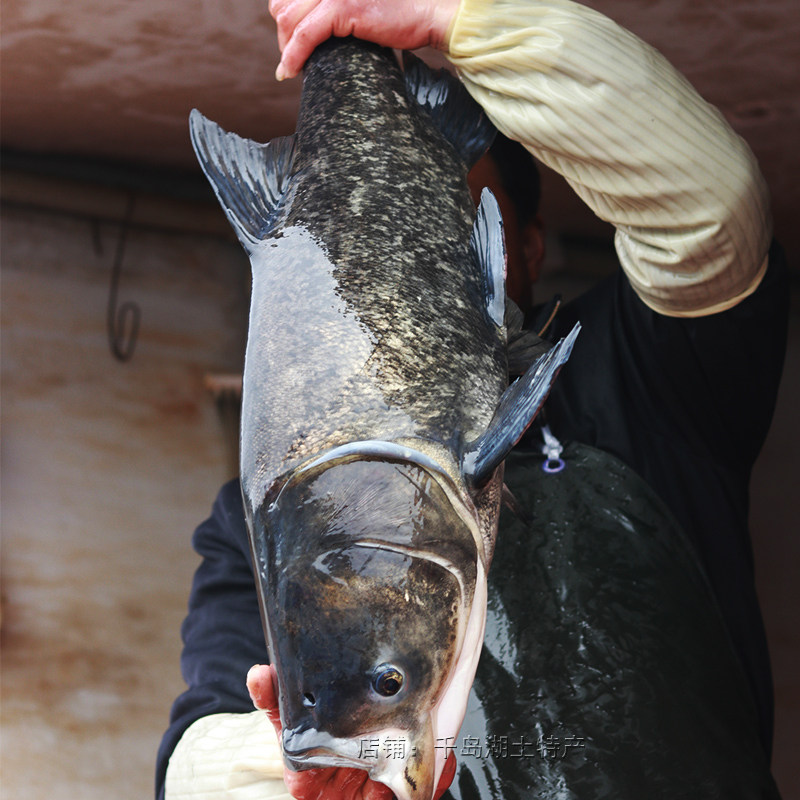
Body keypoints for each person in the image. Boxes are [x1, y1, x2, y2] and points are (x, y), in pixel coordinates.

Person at [157, 1, 789, 798]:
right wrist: (314, 754)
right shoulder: (256, 517)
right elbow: (192, 761)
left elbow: (713, 208)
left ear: (526, 244)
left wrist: (455, 17)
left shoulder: (642, 372)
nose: (396, 261)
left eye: (442, 216)